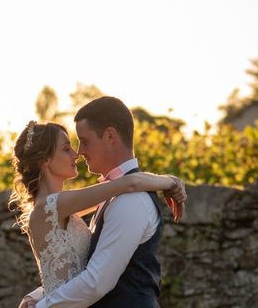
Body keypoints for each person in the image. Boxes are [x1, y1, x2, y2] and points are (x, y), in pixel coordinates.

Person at [12, 96, 186, 308]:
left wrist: (40, 298)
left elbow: (85, 273)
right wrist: (170, 181)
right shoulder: (59, 205)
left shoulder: (129, 200)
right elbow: (129, 182)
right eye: (68, 148)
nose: (78, 153)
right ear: (46, 160)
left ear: (110, 135)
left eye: (84, 141)